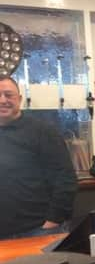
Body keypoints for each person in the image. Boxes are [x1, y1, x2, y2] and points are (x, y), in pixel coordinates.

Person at [0, 76, 77, 240]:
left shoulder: (43, 132)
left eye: (8, 95)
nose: (3, 100)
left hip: (38, 229)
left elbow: (65, 177)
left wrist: (53, 220)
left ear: (19, 99)